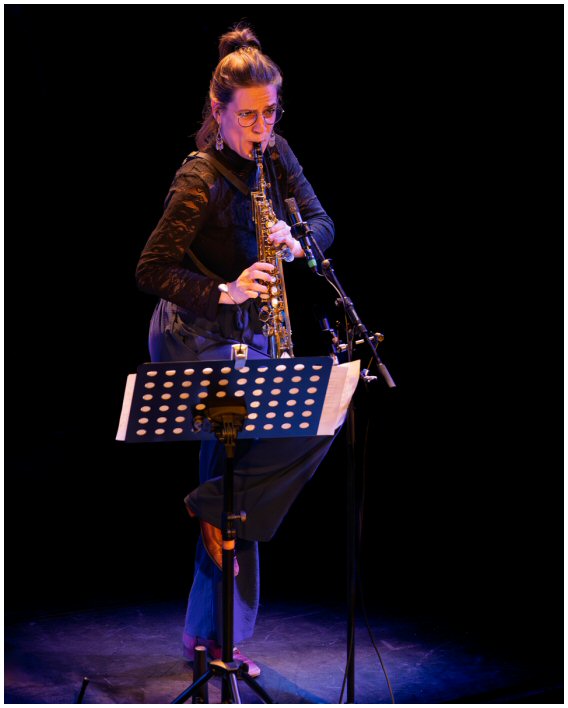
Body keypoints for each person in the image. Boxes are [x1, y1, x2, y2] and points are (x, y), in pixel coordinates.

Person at [136, 22, 337, 677]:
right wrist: (224, 290)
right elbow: (151, 269)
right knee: (237, 464)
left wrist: (298, 242)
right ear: (218, 111)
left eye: (270, 112)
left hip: (248, 336)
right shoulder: (199, 177)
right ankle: (219, 638)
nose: (260, 128)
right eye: (247, 115)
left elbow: (323, 223)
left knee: (259, 466)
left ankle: (209, 630)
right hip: (193, 335)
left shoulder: (277, 155)